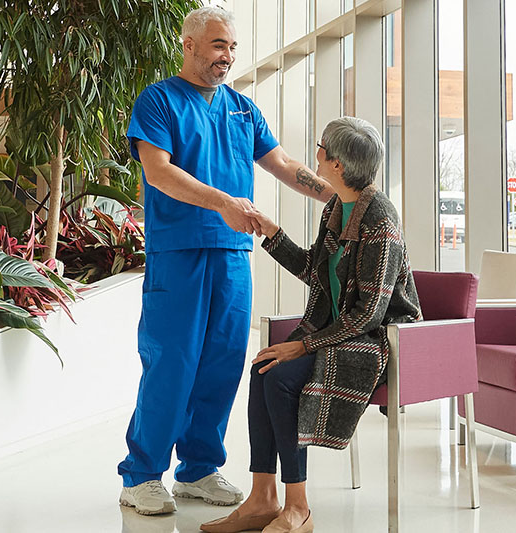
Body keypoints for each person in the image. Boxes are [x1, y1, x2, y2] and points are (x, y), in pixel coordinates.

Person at [117, 6, 334, 516]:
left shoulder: (242, 108)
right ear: (189, 44)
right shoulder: (159, 101)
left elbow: (281, 164)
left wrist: (339, 197)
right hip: (180, 253)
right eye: (218, 45)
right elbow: (159, 174)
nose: (227, 56)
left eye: (232, 47)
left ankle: (197, 469)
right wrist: (224, 203)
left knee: (222, 366)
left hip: (234, 256)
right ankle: (142, 474)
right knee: (172, 364)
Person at [200, 117, 422, 533]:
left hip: (374, 341)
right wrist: (271, 233)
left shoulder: (380, 220)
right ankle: (263, 498)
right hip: (337, 333)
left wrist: (302, 346)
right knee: (263, 367)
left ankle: (297, 506)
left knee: (281, 377)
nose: (314, 154)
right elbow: (315, 271)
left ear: (336, 164)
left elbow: (371, 313)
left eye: (321, 148)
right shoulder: (337, 208)